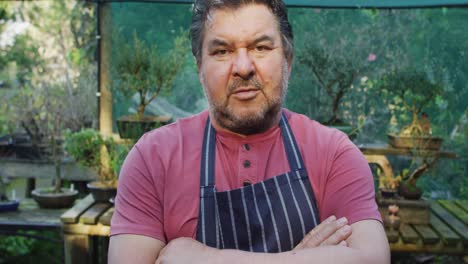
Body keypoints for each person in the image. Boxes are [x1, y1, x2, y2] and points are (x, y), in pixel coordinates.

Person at [108, 0, 390, 263]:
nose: (243, 67)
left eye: (261, 47)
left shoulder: (334, 153)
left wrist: (209, 259)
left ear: (287, 60)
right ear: (199, 68)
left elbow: (373, 258)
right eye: (222, 51)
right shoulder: (152, 158)